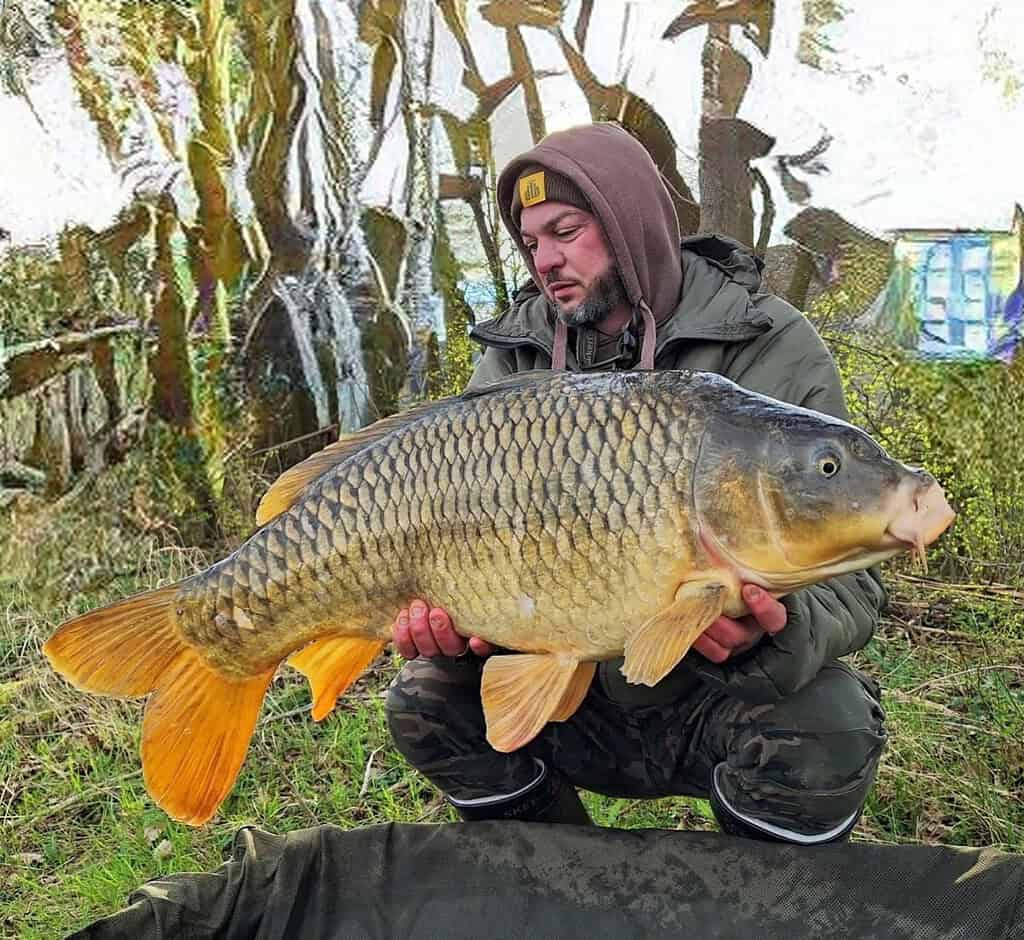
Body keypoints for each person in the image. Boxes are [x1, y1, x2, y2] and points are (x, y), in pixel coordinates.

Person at [385, 122, 887, 845]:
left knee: (830, 726)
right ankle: (563, 891)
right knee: (427, 698)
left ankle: (757, 912)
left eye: (566, 230)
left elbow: (857, 579)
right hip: (571, 695)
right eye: (532, 244)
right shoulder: (513, 359)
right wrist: (457, 627)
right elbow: (457, 546)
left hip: (719, 694)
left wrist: (770, 632)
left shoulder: (768, 342)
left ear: (628, 222)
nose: (547, 259)